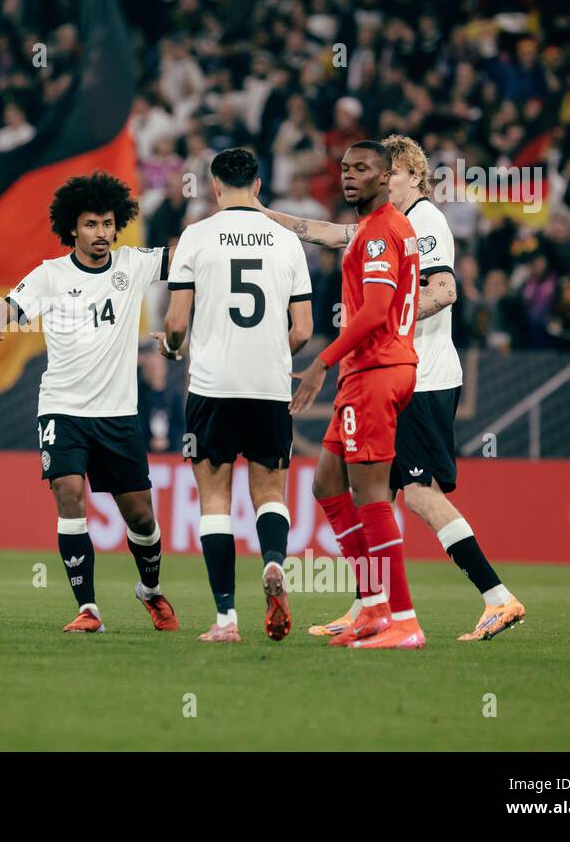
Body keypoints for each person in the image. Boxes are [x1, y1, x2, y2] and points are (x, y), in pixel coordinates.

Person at [260, 134, 525, 641]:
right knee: (341, 484)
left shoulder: (424, 222)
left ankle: (493, 597)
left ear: (408, 177)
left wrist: (393, 322)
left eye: (392, 172)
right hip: (393, 368)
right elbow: (330, 232)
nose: (379, 179)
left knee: (417, 496)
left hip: (418, 376)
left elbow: (444, 290)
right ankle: (370, 604)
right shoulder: (381, 225)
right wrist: (259, 214)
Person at [0, 172, 180, 634]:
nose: (102, 233)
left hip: (117, 414)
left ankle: (149, 589)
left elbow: (187, 260)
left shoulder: (135, 264)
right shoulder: (51, 275)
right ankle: (88, 609)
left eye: (108, 223)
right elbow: (9, 305)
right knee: (69, 493)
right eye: (91, 224)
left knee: (141, 516)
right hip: (62, 408)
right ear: (73, 229)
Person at [160, 148, 313, 643]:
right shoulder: (287, 241)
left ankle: (226, 619)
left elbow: (177, 322)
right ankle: (272, 562)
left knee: (215, 500)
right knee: (270, 492)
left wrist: (171, 347)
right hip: (269, 387)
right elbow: (305, 329)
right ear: (260, 185)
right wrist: (273, 349)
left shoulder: (196, 237)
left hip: (212, 387)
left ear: (214, 186)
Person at [289, 142, 424, 649]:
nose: (350, 177)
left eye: (362, 169)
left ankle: (403, 620)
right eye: (345, 169)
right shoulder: (381, 228)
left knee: (371, 494)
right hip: (369, 370)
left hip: (376, 368)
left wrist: (321, 363)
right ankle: (371, 606)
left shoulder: (378, 233)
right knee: (327, 483)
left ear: (387, 178)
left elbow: (372, 311)